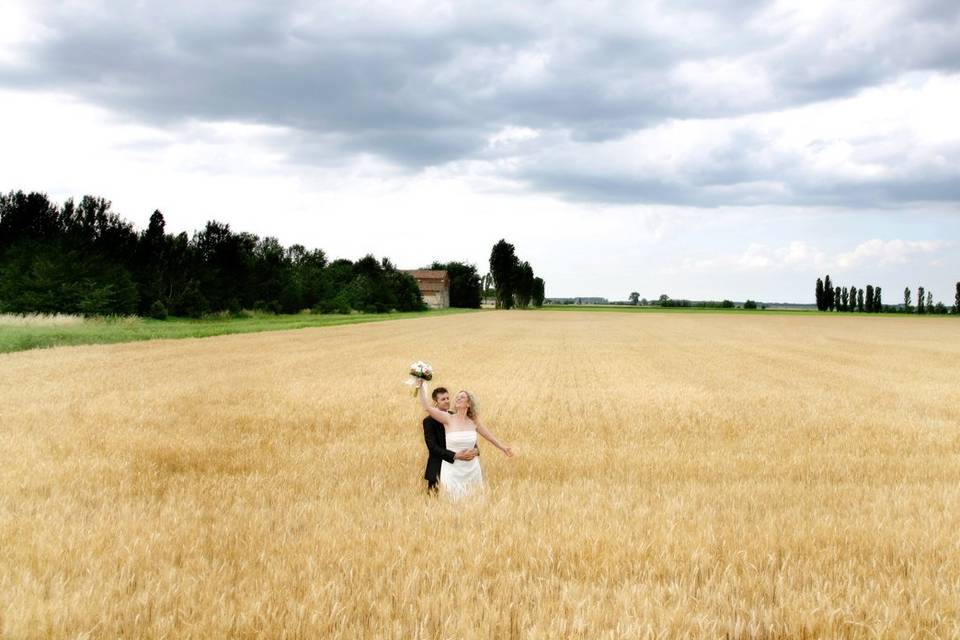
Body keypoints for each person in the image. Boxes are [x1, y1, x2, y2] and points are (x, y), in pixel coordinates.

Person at [417, 380, 513, 499]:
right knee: (451, 499)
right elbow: (426, 407)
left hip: (472, 468)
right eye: (457, 397)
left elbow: (489, 437)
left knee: (473, 499)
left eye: (462, 397)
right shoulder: (448, 418)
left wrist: (503, 448)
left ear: (468, 404)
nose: (457, 398)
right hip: (452, 469)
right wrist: (421, 386)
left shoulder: (473, 421)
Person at [422, 386, 478, 494]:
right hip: (437, 469)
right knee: (435, 505)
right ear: (435, 402)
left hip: (459, 470)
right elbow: (432, 447)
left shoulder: (456, 416)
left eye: (448, 398)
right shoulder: (428, 421)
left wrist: (475, 450)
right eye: (443, 399)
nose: (447, 401)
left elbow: (467, 437)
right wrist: (455, 455)